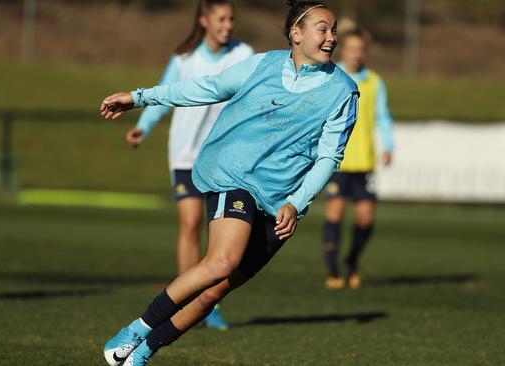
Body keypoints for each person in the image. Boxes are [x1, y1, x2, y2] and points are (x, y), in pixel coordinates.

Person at [100, 1, 358, 364]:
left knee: (213, 293)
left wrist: (295, 203)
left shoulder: (343, 91)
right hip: (233, 175)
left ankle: (140, 354)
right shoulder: (262, 65)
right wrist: (139, 98)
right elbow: (206, 88)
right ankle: (137, 329)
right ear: (296, 34)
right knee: (221, 262)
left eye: (334, 30)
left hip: (281, 201)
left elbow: (329, 158)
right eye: (323, 28)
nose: (331, 37)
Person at [126, 0, 253, 330]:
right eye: (222, 18)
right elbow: (165, 93)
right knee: (190, 222)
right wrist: (144, 125)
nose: (228, 25)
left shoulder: (244, 55)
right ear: (204, 20)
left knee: (220, 238)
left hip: (226, 159)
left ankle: (206, 303)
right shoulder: (184, 58)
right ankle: (186, 302)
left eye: (231, 19)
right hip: (185, 155)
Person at [321, 29, 393, 289]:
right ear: (344, 50)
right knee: (335, 214)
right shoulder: (331, 76)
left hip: (364, 161)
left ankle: (352, 261)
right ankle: (332, 270)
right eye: (352, 48)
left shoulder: (374, 81)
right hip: (337, 161)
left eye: (361, 49)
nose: (357, 53)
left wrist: (388, 145)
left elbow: (383, 116)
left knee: (366, 218)